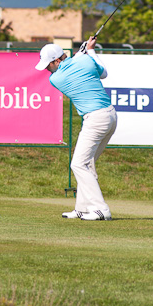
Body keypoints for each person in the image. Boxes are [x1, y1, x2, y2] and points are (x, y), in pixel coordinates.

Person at [35, 37, 117, 221]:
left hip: (95, 119)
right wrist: (90, 50)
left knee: (78, 164)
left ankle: (100, 209)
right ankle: (82, 208)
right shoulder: (85, 61)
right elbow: (103, 73)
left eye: (48, 65)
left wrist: (82, 52)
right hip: (110, 116)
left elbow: (72, 65)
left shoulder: (56, 78)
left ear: (57, 61)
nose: (47, 69)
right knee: (87, 164)